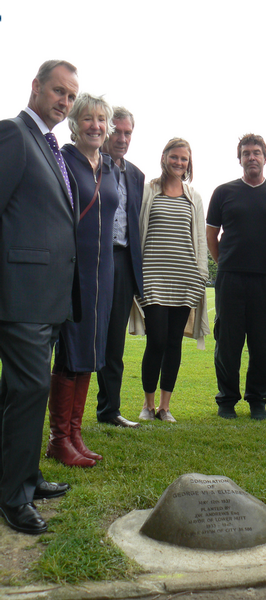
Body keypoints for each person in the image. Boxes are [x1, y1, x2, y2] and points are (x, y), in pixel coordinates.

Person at [0, 60, 80, 534]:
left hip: (46, 296)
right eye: (58, 91)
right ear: (35, 87)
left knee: (21, 392)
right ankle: (14, 498)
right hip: (20, 294)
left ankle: (25, 475)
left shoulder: (48, 144)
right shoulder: (13, 134)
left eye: (71, 96)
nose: (64, 102)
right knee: (30, 390)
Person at [46, 93, 120, 467]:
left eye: (101, 119)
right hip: (73, 272)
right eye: (88, 118)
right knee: (71, 352)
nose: (96, 125)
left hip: (103, 273)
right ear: (75, 124)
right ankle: (59, 438)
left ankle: (76, 434)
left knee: (91, 351)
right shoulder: (64, 161)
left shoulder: (110, 166)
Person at [207, 134, 266, 420]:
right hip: (230, 279)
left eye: (257, 152)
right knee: (227, 341)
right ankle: (226, 401)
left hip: (264, 279)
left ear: (265, 157)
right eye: (246, 153)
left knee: (262, 341)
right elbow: (211, 234)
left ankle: (258, 400)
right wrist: (225, 262)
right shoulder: (223, 192)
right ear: (239, 158)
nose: (251, 157)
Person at [130, 138, 209, 423]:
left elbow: (200, 237)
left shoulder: (194, 197)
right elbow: (139, 230)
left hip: (185, 277)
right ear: (164, 158)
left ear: (189, 163)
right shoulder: (149, 190)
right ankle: (147, 404)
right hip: (153, 276)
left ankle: (165, 406)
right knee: (157, 340)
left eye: (184, 159)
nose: (179, 163)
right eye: (174, 157)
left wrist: (201, 275)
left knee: (174, 342)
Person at [96, 107, 145, 428]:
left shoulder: (136, 175)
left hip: (123, 263)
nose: (123, 139)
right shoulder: (86, 164)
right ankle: (63, 418)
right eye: (117, 131)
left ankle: (109, 410)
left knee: (114, 341)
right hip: (91, 262)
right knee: (80, 336)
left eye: (128, 133)